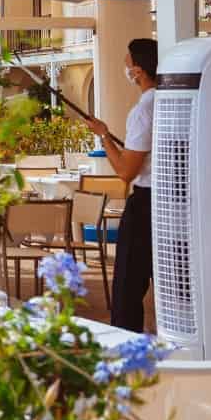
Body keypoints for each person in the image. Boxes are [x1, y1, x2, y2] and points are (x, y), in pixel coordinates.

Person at [87, 38, 159, 332]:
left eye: (128, 65)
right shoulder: (168, 102)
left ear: (139, 71)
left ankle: (126, 346)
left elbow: (126, 171)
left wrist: (104, 137)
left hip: (145, 204)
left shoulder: (143, 111)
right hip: (170, 198)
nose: (126, 70)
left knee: (127, 286)